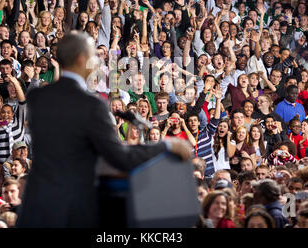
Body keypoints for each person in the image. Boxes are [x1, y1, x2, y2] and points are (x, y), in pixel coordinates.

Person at [17, 33, 191, 228]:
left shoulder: (38, 97)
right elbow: (120, 157)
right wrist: (167, 145)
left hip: (35, 208)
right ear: (82, 59)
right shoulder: (91, 104)